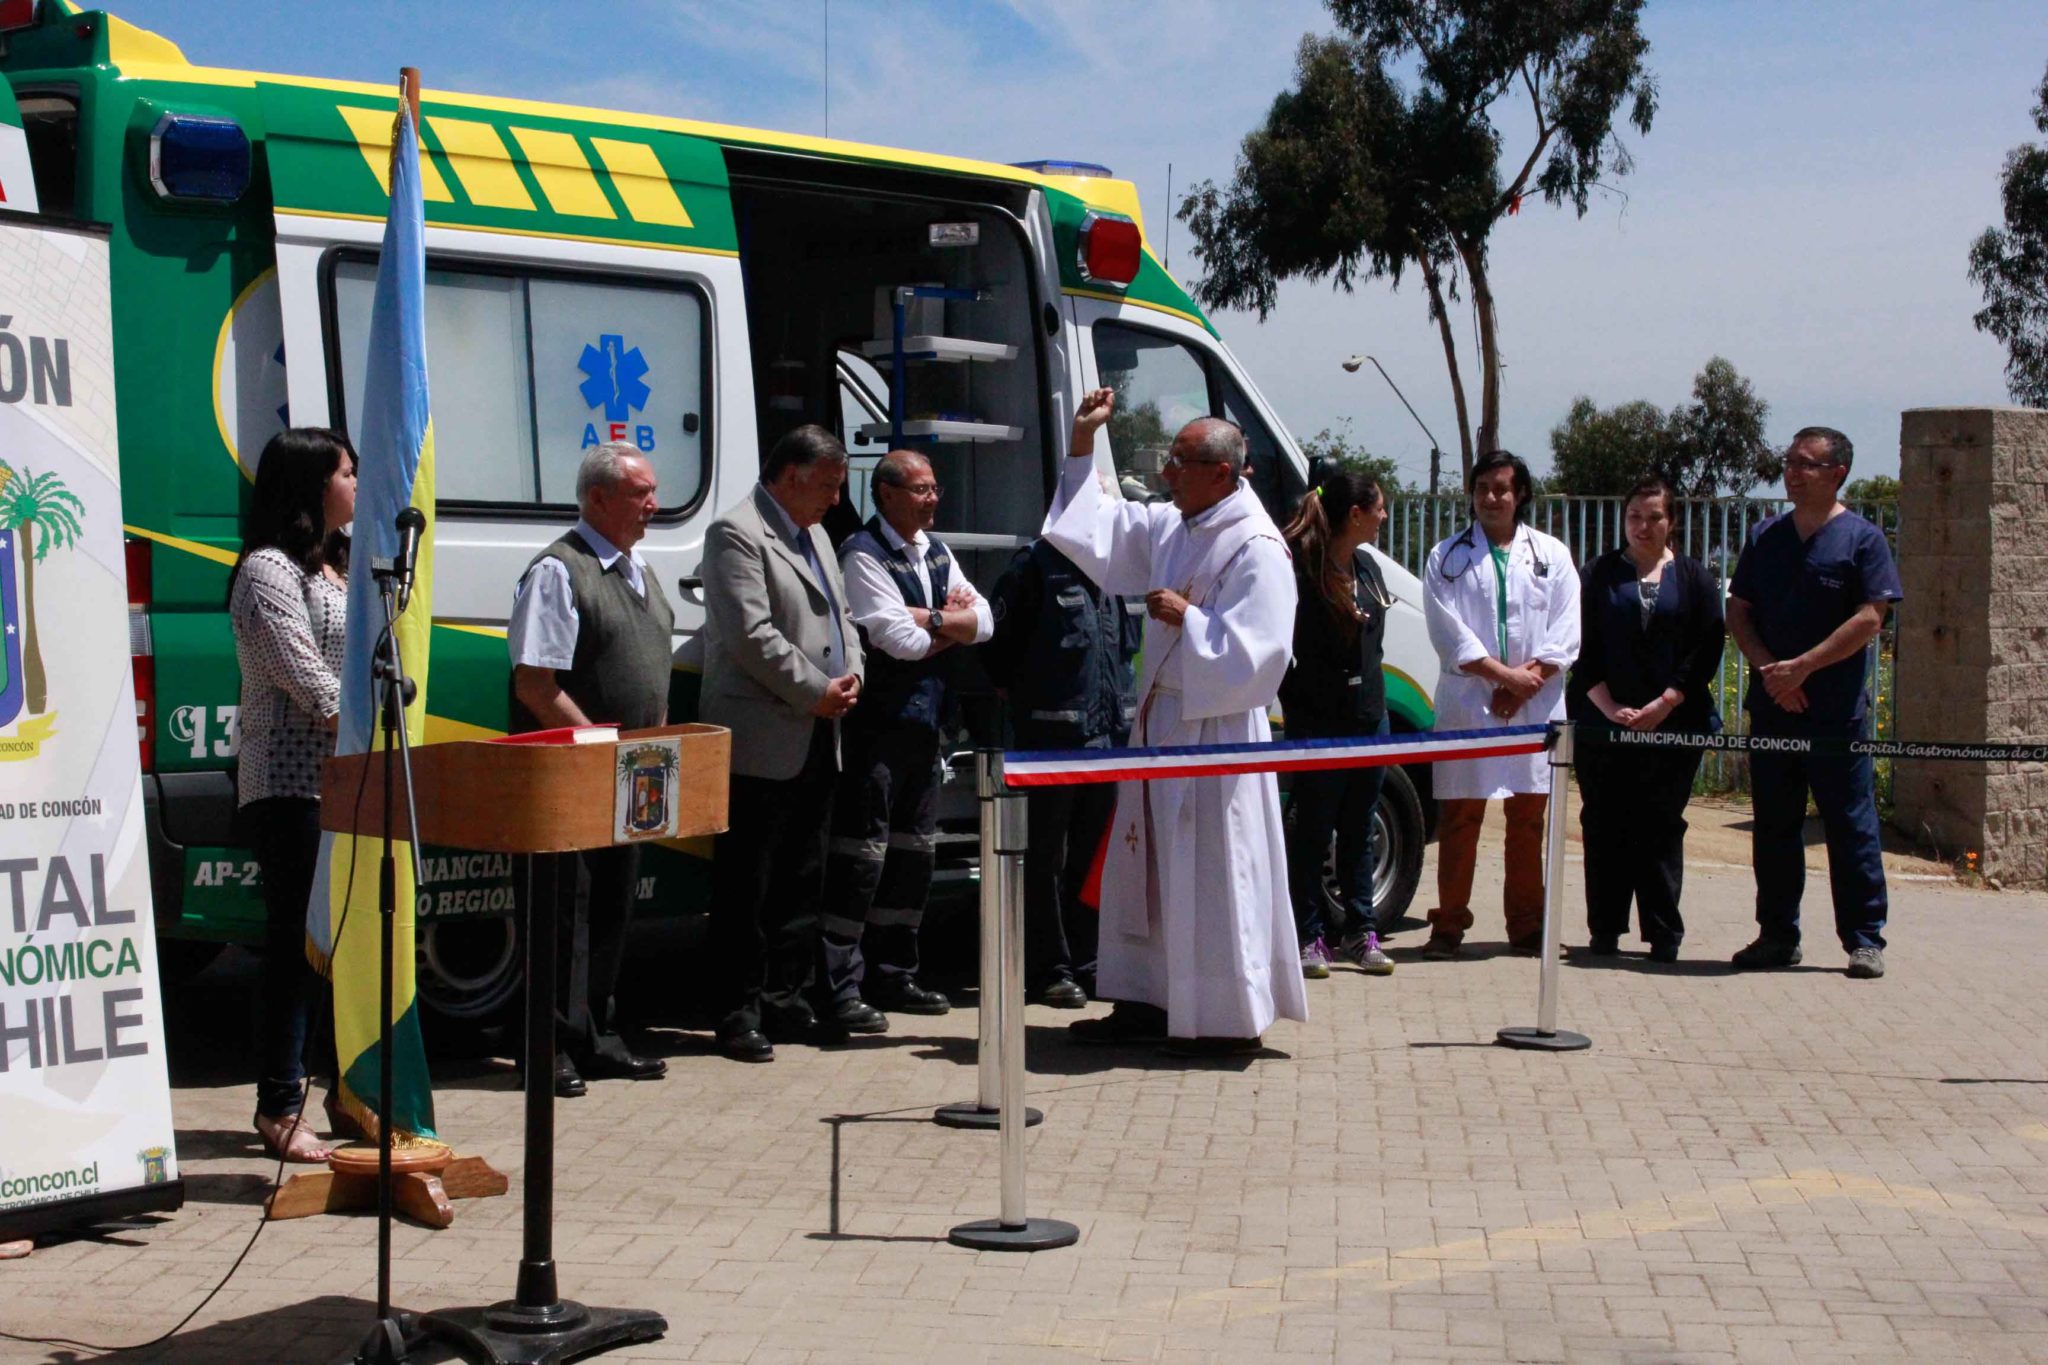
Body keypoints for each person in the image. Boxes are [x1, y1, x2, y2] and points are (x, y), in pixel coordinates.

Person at [1041, 388, 1304, 1055]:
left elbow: (1262, 656)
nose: (1164, 473)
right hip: (1160, 729)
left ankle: (1222, 1016)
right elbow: (1094, 531)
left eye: (1178, 462)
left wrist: (1190, 620)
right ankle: (1145, 999)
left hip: (1215, 737)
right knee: (1145, 870)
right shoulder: (1173, 524)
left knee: (1211, 874)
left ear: (1222, 472)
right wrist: (1080, 443)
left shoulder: (1257, 546)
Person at [509, 443, 675, 1097]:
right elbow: (535, 682)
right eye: (641, 493)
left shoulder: (640, 568)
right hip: (570, 774)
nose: (653, 505)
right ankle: (545, 1047)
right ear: (598, 498)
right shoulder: (558, 571)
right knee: (561, 914)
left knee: (610, 908)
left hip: (631, 774)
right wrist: (597, 742)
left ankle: (597, 1036)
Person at [702, 425, 865, 1061]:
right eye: (827, 485)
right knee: (750, 883)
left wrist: (851, 679)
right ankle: (737, 1012)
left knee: (803, 877)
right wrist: (817, 691)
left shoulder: (818, 534)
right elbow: (751, 636)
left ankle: (787, 999)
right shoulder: (737, 532)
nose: (834, 499)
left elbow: (844, 618)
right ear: (792, 476)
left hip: (821, 734)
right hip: (764, 736)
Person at [1726, 427, 1901, 978]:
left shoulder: (1862, 539)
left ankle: (1864, 939)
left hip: (1835, 714)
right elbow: (1739, 610)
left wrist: (1804, 667)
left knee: (1850, 826)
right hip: (1774, 707)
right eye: (1789, 462)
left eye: (1807, 464)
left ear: (1837, 473)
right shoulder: (1766, 535)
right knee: (1775, 827)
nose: (1793, 472)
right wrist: (1769, 670)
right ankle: (1777, 935)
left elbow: (1872, 617)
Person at [822, 451, 991, 1019]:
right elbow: (900, 643)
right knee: (860, 856)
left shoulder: (935, 551)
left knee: (913, 854)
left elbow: (986, 623)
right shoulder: (861, 555)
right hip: (877, 731)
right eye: (920, 490)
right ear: (886, 494)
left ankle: (896, 975)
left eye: (935, 488)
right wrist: (945, 625)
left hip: (926, 731)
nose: (933, 499)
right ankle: (840, 984)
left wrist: (931, 618)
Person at [229, 427, 356, 1162]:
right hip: (289, 780)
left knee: (342, 942)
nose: (355, 482)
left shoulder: (339, 563)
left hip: (347, 775)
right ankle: (279, 1102)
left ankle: (348, 1086)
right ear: (311, 483)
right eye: (346, 471)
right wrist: (366, 719)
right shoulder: (267, 571)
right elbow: (305, 680)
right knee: (296, 943)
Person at [1420, 451, 1580, 958]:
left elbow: (1566, 630)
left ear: (1521, 495)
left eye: (1502, 489)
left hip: (1533, 706)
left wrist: (1524, 682)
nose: (1492, 497)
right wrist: (1500, 677)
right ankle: (1448, 925)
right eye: (1483, 487)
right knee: (1460, 818)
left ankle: (1527, 926)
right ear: (1471, 493)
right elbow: (1448, 632)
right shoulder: (1446, 556)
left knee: (1528, 819)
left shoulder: (1551, 555)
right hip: (1470, 704)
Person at [1566, 475, 1726, 963]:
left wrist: (1667, 702)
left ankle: (1662, 933)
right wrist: (1611, 707)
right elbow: (1581, 645)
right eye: (1634, 515)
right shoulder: (1597, 574)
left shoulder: (1696, 579)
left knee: (1659, 824)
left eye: (1654, 516)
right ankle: (1605, 930)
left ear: (1671, 521)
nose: (1643, 525)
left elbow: (1708, 645)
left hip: (1674, 722)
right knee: (1604, 822)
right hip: (1603, 722)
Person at [984, 535, 1141, 1007]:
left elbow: (1128, 646)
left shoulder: (1118, 568)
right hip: (1050, 743)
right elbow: (996, 649)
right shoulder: (1033, 566)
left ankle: (1089, 962)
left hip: (1108, 742)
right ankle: (1049, 969)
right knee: (1045, 858)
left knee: (1095, 861)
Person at [1279, 472, 1398, 979]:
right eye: (1380, 509)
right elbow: (1285, 654)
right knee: (1313, 830)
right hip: (1320, 725)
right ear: (1356, 514)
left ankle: (1361, 931)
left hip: (1370, 720)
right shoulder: (1302, 572)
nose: (1385, 517)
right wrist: (1303, 708)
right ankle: (1308, 936)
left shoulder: (1369, 568)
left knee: (1360, 829)